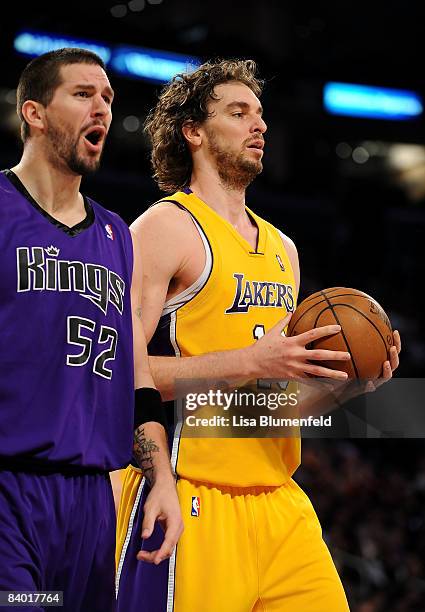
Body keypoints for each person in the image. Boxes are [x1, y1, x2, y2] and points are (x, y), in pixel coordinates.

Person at [116, 59, 400, 611]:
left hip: (279, 500)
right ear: (193, 131)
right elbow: (120, 372)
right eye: (238, 112)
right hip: (189, 492)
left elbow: (268, 410)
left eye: (261, 115)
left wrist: (350, 388)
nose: (259, 125)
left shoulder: (283, 250)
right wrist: (248, 358)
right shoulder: (165, 228)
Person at [0, 48, 182, 612]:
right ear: (34, 112)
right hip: (11, 490)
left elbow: (136, 371)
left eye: (107, 97)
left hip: (91, 504)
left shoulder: (115, 234)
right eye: (83, 95)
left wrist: (161, 479)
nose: (101, 107)